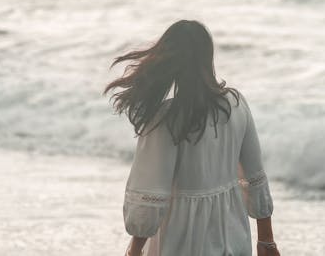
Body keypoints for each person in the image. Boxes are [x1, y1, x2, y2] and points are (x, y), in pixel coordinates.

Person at [103, 20, 280, 256]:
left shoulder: (166, 119)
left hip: (180, 238)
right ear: (207, 58)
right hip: (233, 231)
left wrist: (135, 250)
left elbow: (151, 193)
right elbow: (255, 176)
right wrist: (266, 240)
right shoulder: (235, 104)